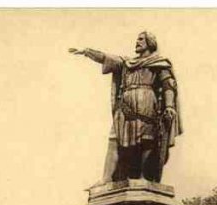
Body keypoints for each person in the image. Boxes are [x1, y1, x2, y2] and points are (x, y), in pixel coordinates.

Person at [70, 32, 181, 183]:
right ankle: (106, 178)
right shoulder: (127, 63)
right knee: (114, 138)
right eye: (137, 39)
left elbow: (168, 85)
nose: (137, 42)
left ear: (150, 42)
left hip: (147, 102)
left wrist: (169, 106)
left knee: (146, 140)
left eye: (141, 39)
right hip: (125, 106)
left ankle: (143, 177)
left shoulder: (159, 62)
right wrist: (87, 52)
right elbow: (106, 57)